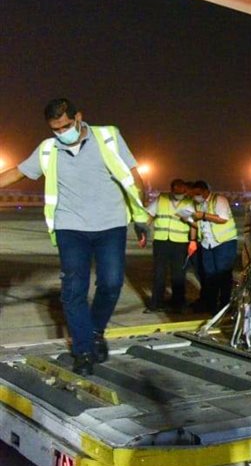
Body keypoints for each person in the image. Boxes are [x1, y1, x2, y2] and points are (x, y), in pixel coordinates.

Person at [0, 99, 149, 374]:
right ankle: (83, 351)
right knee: (73, 290)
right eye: (55, 129)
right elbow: (17, 173)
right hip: (70, 227)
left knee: (112, 283)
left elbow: (132, 176)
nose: (61, 133)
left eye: (66, 126)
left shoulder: (108, 136)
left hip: (110, 225)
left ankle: (95, 332)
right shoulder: (48, 149)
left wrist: (141, 217)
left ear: (78, 117)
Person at [146, 178, 197, 312]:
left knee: (178, 274)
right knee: (159, 273)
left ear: (185, 189)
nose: (178, 192)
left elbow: (194, 223)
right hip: (161, 241)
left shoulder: (189, 202)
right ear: (172, 188)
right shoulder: (161, 199)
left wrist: (193, 241)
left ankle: (178, 303)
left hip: (180, 242)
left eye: (181, 189)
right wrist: (144, 232)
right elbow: (150, 215)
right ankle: (156, 303)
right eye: (176, 189)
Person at [191, 180, 239, 313]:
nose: (196, 196)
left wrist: (203, 215)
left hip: (224, 243)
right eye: (194, 194)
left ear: (206, 191)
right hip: (207, 244)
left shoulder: (219, 200)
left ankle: (224, 305)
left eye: (198, 193)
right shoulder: (199, 205)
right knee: (209, 276)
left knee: (223, 275)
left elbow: (223, 219)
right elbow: (196, 223)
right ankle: (211, 305)